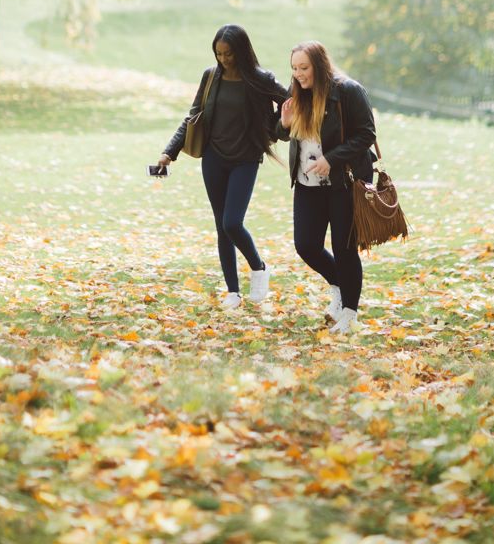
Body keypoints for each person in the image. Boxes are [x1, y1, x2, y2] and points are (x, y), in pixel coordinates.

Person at [155, 25, 287, 310]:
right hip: (214, 158)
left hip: (245, 158)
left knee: (232, 222)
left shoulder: (260, 79)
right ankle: (233, 292)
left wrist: (274, 128)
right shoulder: (211, 76)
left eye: (229, 54)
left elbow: (290, 102)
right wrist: (169, 151)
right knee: (221, 226)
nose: (224, 59)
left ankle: (259, 267)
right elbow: (194, 116)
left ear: (241, 51)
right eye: (219, 54)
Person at [278, 41, 377, 334]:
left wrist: (331, 160)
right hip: (307, 183)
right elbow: (282, 133)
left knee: (344, 248)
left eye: (304, 68)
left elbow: (366, 134)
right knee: (306, 245)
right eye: (294, 68)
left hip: (342, 182)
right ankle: (338, 284)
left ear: (319, 65)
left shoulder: (347, 90)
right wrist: (284, 124)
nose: (298, 74)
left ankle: (349, 312)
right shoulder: (297, 89)